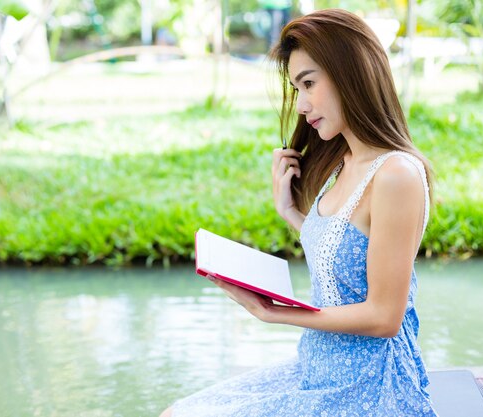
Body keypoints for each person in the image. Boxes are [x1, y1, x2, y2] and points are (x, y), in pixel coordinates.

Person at [160, 8, 438, 417]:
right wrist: (290, 212)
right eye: (296, 88)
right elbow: (344, 258)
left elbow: (384, 317)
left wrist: (278, 313)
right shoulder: (344, 161)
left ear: (350, 71)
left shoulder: (396, 175)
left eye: (309, 83)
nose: (302, 105)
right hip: (315, 369)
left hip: (367, 386)